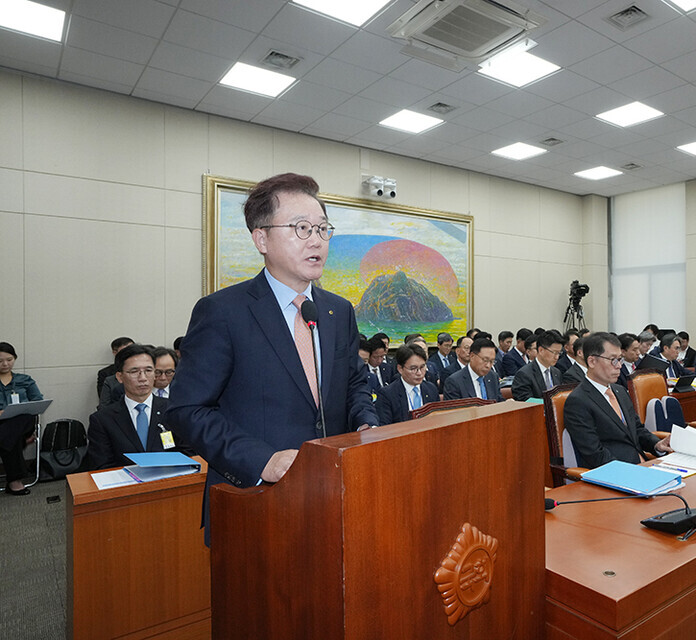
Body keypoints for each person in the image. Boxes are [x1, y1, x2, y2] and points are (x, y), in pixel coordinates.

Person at [164, 173, 377, 543]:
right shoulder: (223, 312)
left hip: (335, 496)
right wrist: (263, 460)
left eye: (323, 229)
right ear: (261, 238)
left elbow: (355, 383)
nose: (316, 240)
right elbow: (187, 410)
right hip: (255, 501)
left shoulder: (337, 311)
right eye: (301, 228)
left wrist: (367, 424)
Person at [563, 333, 673, 469]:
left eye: (620, 359)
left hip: (642, 464)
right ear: (592, 361)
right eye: (613, 360)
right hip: (616, 473)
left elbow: (637, 430)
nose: (619, 366)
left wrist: (656, 444)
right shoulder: (578, 401)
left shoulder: (619, 391)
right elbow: (595, 454)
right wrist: (631, 471)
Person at [87, 344, 191, 470]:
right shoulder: (102, 420)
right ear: (120, 377)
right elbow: (102, 466)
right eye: (134, 371)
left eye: (148, 371)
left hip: (170, 482)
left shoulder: (173, 409)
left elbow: (188, 452)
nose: (143, 378)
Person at [0, 342, 42, 496]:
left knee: (21, 418)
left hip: (24, 421)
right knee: (12, 438)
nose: (5, 364)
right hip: (4, 426)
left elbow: (37, 402)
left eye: (9, 359)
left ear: (15, 358)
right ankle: (15, 482)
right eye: (0, 361)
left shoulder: (25, 379)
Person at [375, 344, 440, 425]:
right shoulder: (387, 394)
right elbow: (384, 428)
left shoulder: (431, 389)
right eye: (413, 369)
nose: (419, 373)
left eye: (422, 367)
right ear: (400, 369)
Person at [511, 330, 564, 401]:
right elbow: (525, 401)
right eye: (554, 352)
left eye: (559, 353)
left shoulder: (556, 372)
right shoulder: (524, 374)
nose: (557, 357)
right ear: (541, 350)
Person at [98, 336, 135, 409]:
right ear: (115, 352)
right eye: (125, 350)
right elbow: (104, 403)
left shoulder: (145, 372)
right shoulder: (106, 375)